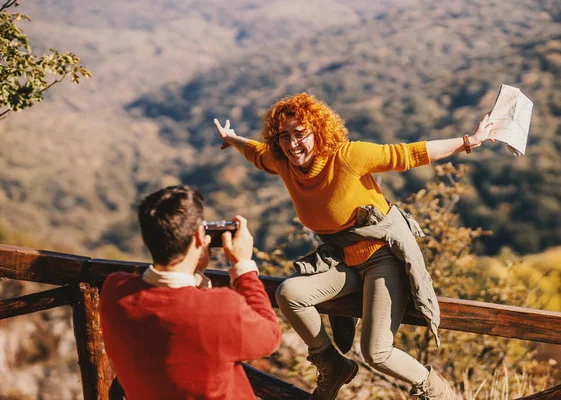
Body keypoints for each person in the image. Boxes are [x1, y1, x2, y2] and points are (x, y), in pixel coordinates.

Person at [214, 92, 495, 400]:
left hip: (382, 257)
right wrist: (232, 138)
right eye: (284, 136)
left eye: (300, 134)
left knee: (377, 353)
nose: (293, 144)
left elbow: (409, 153)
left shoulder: (347, 156)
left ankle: (439, 393)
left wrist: (470, 140)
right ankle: (332, 364)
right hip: (344, 261)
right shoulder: (284, 164)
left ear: (318, 132)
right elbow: (257, 152)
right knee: (288, 294)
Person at [99, 185, 281, 400]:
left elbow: (173, 306)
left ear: (146, 240)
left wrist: (194, 270)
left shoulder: (114, 291)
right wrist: (244, 268)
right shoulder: (222, 308)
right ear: (198, 237)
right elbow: (270, 337)